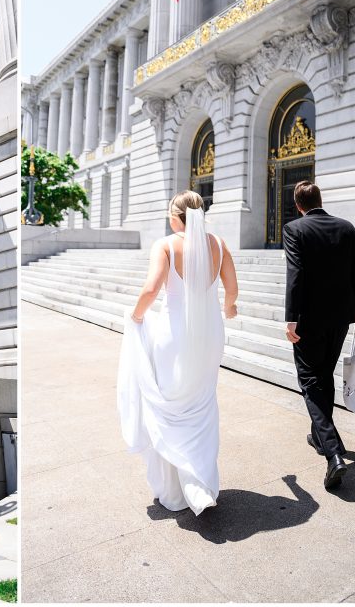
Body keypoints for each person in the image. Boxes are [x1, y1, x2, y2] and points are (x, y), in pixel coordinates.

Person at [117, 190, 239, 514]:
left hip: (174, 337)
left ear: (175, 217)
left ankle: (177, 491)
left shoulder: (167, 245)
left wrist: (137, 315)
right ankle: (201, 485)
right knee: (202, 408)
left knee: (171, 409)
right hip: (211, 334)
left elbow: (151, 288)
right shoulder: (218, 244)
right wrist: (229, 307)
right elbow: (233, 290)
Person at [282, 180, 355, 490]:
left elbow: (296, 275)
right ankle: (320, 436)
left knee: (309, 382)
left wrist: (291, 318)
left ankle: (332, 453)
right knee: (324, 376)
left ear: (298, 205)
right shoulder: (346, 227)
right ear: (319, 198)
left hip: (308, 321)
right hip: (340, 317)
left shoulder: (295, 230)